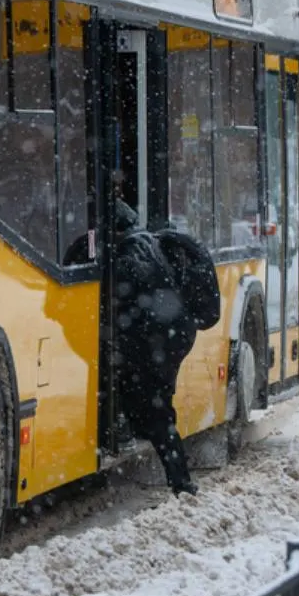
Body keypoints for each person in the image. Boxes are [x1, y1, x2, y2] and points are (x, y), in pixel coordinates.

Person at [110, 199, 220, 496]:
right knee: (156, 405)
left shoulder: (127, 257)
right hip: (176, 336)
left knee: (157, 413)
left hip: (157, 342)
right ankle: (166, 460)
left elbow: (129, 311)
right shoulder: (152, 243)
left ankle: (182, 483)